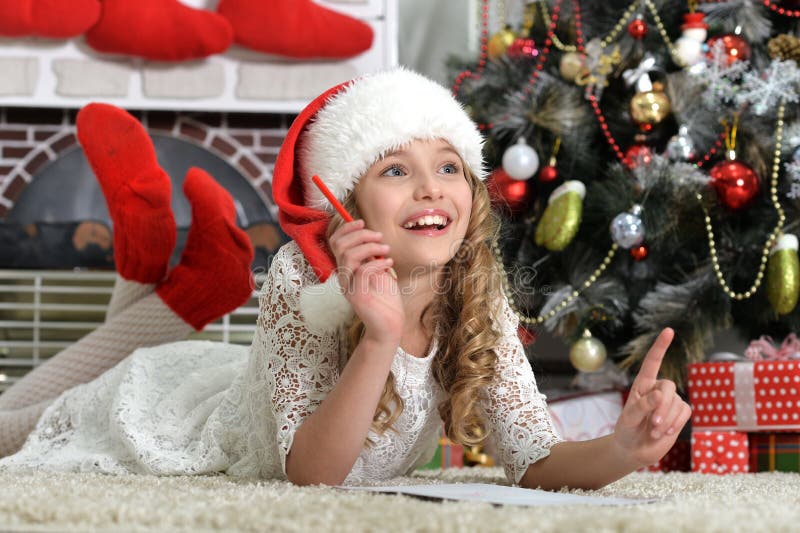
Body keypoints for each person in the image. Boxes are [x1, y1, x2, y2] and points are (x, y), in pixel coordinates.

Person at [0, 68, 690, 490]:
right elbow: (311, 476)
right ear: (344, 205)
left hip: (218, 371)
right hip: (168, 413)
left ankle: (154, 267)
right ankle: (158, 271)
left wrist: (621, 450)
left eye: (449, 167)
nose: (430, 188)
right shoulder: (304, 278)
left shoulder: (477, 291)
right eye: (395, 170)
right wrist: (378, 339)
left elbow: (533, 459)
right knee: (12, 429)